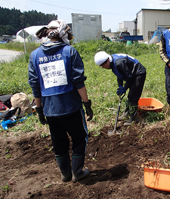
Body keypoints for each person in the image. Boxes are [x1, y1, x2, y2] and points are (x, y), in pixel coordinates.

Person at [28, 20, 93, 182]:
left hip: (50, 109)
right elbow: (79, 81)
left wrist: (39, 109)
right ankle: (77, 172)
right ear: (63, 32)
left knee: (58, 141)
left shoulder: (35, 55)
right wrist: (87, 104)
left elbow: (35, 85)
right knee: (80, 137)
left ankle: (65, 174)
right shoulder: (70, 52)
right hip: (71, 106)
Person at [94, 51, 146, 126]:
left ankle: (132, 119)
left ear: (107, 60)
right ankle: (126, 114)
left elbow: (130, 76)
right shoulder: (113, 63)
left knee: (133, 96)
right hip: (131, 74)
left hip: (138, 73)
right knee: (129, 96)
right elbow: (119, 74)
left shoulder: (119, 63)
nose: (103, 67)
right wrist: (120, 86)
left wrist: (125, 88)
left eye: (103, 65)